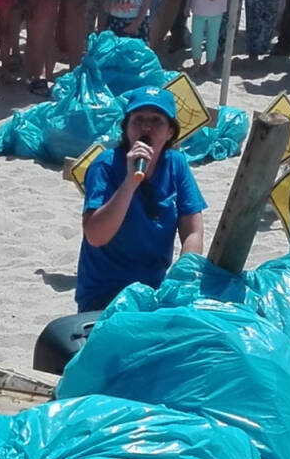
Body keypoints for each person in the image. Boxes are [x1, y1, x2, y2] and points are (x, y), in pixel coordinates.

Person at [76, 89, 203, 311]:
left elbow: (193, 230)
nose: (146, 127)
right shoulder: (105, 166)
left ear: (170, 132)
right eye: (138, 120)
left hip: (155, 289)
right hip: (106, 292)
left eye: (156, 121)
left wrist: (183, 275)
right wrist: (130, 182)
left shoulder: (176, 165)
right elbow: (96, 236)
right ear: (126, 128)